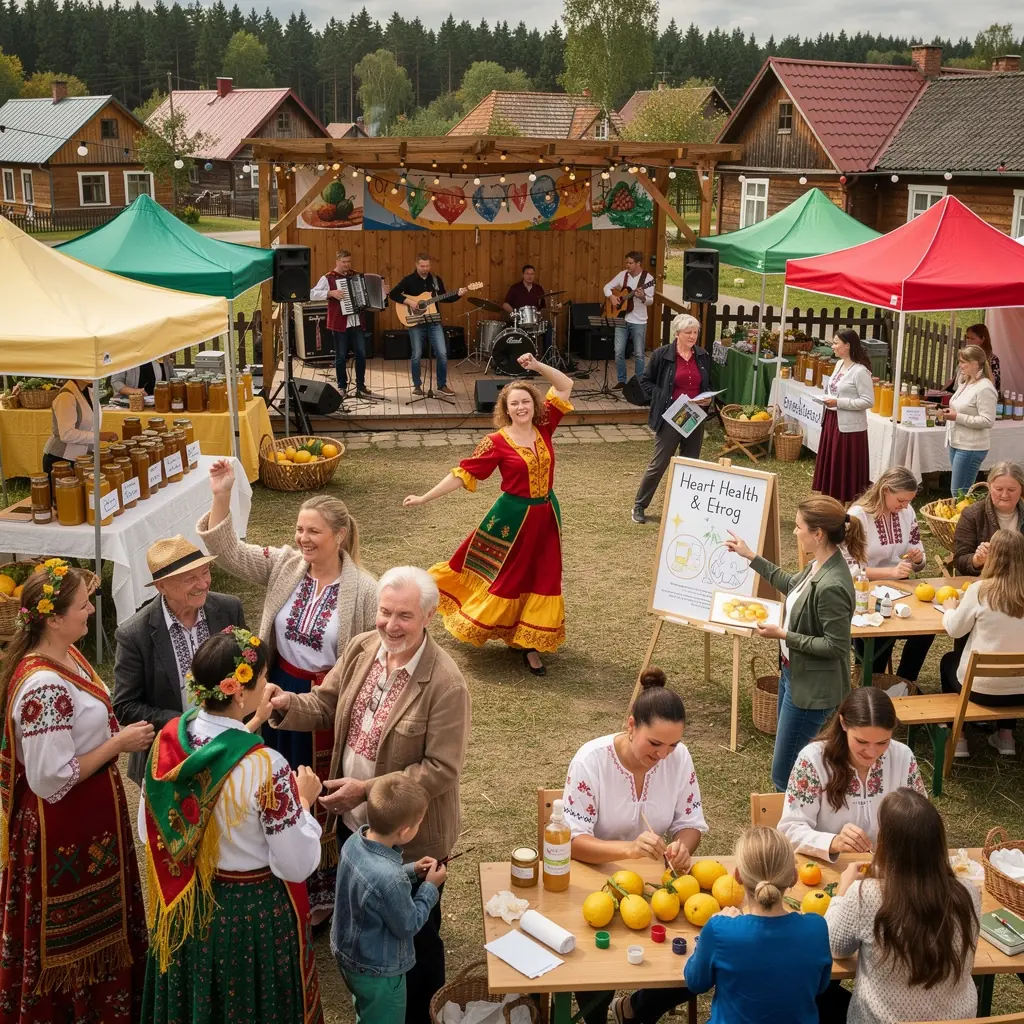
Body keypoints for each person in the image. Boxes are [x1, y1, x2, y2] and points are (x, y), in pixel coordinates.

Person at [265, 566, 471, 1024]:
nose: (390, 625)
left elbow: (442, 769)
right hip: (357, 827)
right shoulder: (362, 648)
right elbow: (325, 703)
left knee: (415, 940)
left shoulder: (446, 684)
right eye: (384, 612)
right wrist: (285, 706)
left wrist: (367, 790)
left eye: (404, 616)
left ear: (429, 617)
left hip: (408, 835)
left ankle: (419, 1013)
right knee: (371, 925)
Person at [197, 458, 377, 920]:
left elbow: (373, 654)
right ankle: (276, 867)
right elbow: (229, 552)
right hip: (276, 693)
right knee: (274, 781)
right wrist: (222, 494)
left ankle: (320, 892)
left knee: (316, 787)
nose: (303, 538)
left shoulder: (365, 591)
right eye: (299, 529)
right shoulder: (286, 566)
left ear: (339, 535)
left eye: (313, 531)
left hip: (326, 702)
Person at [139, 629, 325, 1024]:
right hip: (248, 915)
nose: (267, 685)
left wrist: (251, 722)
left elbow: (147, 830)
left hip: (187, 905)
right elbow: (295, 864)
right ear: (238, 691)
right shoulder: (266, 767)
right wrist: (304, 801)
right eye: (262, 680)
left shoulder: (169, 742)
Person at [0, 563, 152, 1022]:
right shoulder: (43, 687)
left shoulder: (69, 654)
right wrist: (119, 744)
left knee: (102, 920)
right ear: (52, 617)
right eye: (83, 604)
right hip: (62, 828)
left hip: (90, 819)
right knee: (69, 937)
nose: (91, 610)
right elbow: (49, 780)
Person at [404, 354, 573, 676]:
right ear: (505, 409)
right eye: (514, 404)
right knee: (501, 576)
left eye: (526, 401)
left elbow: (565, 386)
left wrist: (537, 367)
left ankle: (528, 642)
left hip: (547, 517)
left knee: (543, 577)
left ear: (534, 405)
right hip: (510, 518)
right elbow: (462, 474)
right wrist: (426, 497)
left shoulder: (545, 426)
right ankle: (430, 606)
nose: (521, 408)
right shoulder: (495, 442)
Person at [563, 668, 707, 1024]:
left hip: (658, 889)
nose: (663, 754)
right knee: (597, 961)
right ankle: (597, 1016)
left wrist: (683, 847)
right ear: (631, 725)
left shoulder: (679, 758)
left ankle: (637, 1011)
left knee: (698, 955)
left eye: (672, 745)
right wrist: (627, 850)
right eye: (654, 743)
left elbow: (690, 822)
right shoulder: (591, 761)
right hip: (595, 886)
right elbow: (573, 841)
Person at [727, 496, 861, 791]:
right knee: (790, 760)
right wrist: (750, 556)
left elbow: (836, 647)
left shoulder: (833, 585)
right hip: (794, 675)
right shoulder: (819, 565)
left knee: (785, 770)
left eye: (798, 526)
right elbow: (791, 584)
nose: (794, 532)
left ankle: (787, 829)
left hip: (812, 690)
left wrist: (784, 635)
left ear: (818, 534)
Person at [824, 788, 981, 1024]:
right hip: (957, 1019)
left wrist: (842, 892)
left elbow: (835, 946)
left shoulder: (867, 895)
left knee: (820, 996)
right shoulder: (968, 892)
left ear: (888, 845)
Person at [113, 535, 246, 786]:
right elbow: (125, 706)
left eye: (205, 572)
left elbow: (247, 667)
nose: (203, 584)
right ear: (161, 586)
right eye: (190, 579)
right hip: (170, 754)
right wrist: (188, 724)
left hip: (229, 742)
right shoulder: (134, 635)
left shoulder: (229, 609)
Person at [683, 826, 833, 1024]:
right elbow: (820, 986)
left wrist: (708, 933)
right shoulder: (817, 928)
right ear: (794, 877)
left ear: (737, 876)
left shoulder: (720, 930)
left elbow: (695, 983)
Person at [332, 775, 448, 1024]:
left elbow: (374, 887)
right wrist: (429, 888)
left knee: (367, 1011)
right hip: (380, 973)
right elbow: (408, 925)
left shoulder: (354, 842)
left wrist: (411, 870)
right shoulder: (390, 879)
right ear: (405, 832)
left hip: (351, 959)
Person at [778, 688, 925, 860]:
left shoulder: (902, 756)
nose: (871, 752)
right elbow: (790, 829)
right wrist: (834, 842)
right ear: (843, 724)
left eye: (883, 742)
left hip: (889, 869)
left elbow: (921, 819)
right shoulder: (813, 760)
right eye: (861, 741)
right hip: (828, 872)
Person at [940, 529, 1024, 758]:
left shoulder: (980, 591)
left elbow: (955, 630)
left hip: (980, 690)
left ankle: (959, 738)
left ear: (993, 556)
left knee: (948, 661)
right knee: (1012, 659)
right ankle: (1006, 736)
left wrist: (949, 610)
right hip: (1021, 690)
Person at [845, 468, 933, 682]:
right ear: (885, 490)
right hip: (863, 592)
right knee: (883, 632)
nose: (904, 506)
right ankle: (872, 683)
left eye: (908, 501)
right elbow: (848, 569)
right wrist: (890, 572)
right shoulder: (858, 517)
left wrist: (917, 558)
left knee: (926, 629)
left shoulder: (907, 512)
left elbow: (918, 556)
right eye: (901, 500)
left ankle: (904, 682)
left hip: (899, 590)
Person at [632, 312, 712, 525]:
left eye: (695, 332)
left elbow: (707, 385)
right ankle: (639, 505)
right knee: (659, 463)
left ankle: (683, 507)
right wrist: (665, 398)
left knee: (690, 463)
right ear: (677, 334)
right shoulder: (662, 354)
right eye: (688, 333)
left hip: (695, 416)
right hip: (671, 415)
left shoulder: (702, 355)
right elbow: (646, 382)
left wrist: (706, 400)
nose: (692, 337)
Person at [388, 253, 467, 397]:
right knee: (416, 354)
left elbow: (445, 298)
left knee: (442, 353)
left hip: (434, 321)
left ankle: (441, 385)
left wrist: (458, 294)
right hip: (415, 322)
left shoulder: (436, 280)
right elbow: (393, 294)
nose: (425, 269)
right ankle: (417, 386)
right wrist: (411, 303)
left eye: (428, 266)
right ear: (416, 265)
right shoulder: (409, 280)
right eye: (422, 266)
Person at [812, 329, 874, 503]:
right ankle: (832, 501)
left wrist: (839, 402)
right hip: (832, 420)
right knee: (833, 465)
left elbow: (868, 401)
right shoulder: (839, 364)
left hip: (849, 428)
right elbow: (834, 388)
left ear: (847, 345)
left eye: (836, 342)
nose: (832, 346)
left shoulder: (860, 371)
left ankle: (847, 504)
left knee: (845, 467)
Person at [310, 248, 376, 399]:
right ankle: (341, 387)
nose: (347, 265)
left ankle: (361, 385)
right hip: (339, 323)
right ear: (337, 262)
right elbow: (312, 293)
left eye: (348, 262)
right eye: (344, 262)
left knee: (361, 353)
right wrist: (330, 293)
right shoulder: (328, 278)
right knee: (340, 356)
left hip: (357, 322)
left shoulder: (356, 276)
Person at [952, 459, 1024, 576]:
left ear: (1021, 488)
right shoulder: (972, 515)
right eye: (999, 489)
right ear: (989, 487)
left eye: (1011, 490)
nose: (1005, 495)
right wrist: (977, 560)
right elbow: (959, 561)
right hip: (984, 583)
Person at [945, 343, 997, 497]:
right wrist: (951, 412)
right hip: (957, 442)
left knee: (959, 492)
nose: (960, 365)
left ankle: (965, 520)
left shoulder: (985, 388)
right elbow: (960, 406)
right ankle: (962, 519)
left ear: (976, 364)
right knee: (958, 492)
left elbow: (988, 421)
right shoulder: (965, 382)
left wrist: (957, 417)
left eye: (963, 362)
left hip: (971, 447)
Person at [40, 378, 118, 477]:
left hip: (82, 459)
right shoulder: (66, 396)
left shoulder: (89, 392)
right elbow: (67, 434)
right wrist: (98, 436)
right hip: (61, 461)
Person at [603, 251, 651, 389]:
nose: (627, 265)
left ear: (638, 263)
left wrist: (642, 297)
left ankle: (639, 382)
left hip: (639, 321)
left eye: (630, 263)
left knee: (639, 354)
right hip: (622, 319)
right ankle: (622, 380)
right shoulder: (623, 275)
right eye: (626, 263)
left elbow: (650, 301)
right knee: (618, 351)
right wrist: (611, 297)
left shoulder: (648, 279)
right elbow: (606, 287)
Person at [110, 356, 176, 397]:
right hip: (131, 404)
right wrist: (134, 391)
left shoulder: (163, 357)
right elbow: (116, 382)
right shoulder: (126, 356)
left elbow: (173, 378)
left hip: (159, 403)